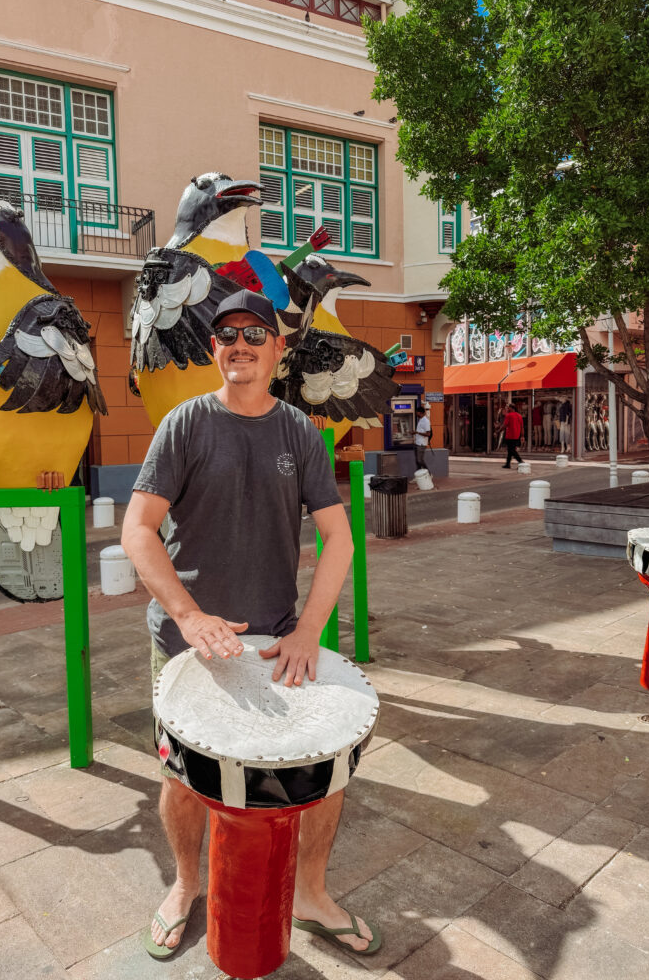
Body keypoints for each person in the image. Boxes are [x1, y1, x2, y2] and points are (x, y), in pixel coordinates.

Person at [121, 290, 379, 962]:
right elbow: (137, 530)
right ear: (214, 350)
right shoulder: (184, 424)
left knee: (323, 772)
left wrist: (308, 633)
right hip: (185, 644)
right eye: (226, 335)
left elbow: (339, 540)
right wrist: (189, 613)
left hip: (277, 639)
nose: (239, 344)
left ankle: (312, 894)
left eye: (254, 334)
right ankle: (184, 885)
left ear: (277, 349)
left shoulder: (298, 431)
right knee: (183, 779)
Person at [501, 403, 524, 467]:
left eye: (508, 408)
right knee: (510, 450)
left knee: (512, 450)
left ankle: (521, 461)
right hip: (516, 436)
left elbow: (504, 425)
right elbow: (522, 427)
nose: (507, 409)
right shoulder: (519, 416)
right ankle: (508, 464)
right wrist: (522, 436)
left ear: (512, 408)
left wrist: (498, 431)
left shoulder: (509, 415)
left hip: (510, 435)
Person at [414, 406, 431, 471]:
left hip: (422, 444)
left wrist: (417, 432)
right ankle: (418, 476)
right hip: (417, 443)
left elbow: (428, 434)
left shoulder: (426, 421)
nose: (416, 414)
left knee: (420, 460)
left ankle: (428, 474)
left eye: (417, 412)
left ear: (420, 413)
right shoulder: (420, 420)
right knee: (417, 461)